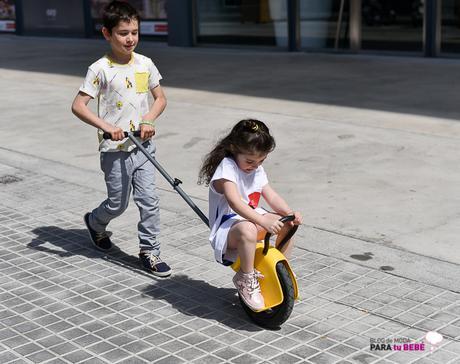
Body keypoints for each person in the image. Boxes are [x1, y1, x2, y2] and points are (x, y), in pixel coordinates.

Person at [71, 0, 171, 277]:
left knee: (149, 200)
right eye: (123, 33)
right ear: (107, 33)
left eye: (134, 32)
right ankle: (95, 222)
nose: (130, 39)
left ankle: (150, 251)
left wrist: (149, 118)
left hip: (143, 146)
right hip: (115, 148)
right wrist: (106, 126)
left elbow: (160, 98)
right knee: (118, 203)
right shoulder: (99, 69)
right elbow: (78, 105)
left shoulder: (145, 64)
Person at [198, 119, 302, 311]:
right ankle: (246, 279)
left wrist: (289, 213)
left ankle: (281, 272)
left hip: (252, 220)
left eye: (261, 161)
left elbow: (270, 195)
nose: (255, 166)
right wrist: (262, 220)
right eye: (250, 161)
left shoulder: (256, 168)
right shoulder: (227, 167)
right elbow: (235, 202)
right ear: (234, 149)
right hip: (228, 227)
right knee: (248, 228)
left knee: (288, 224)